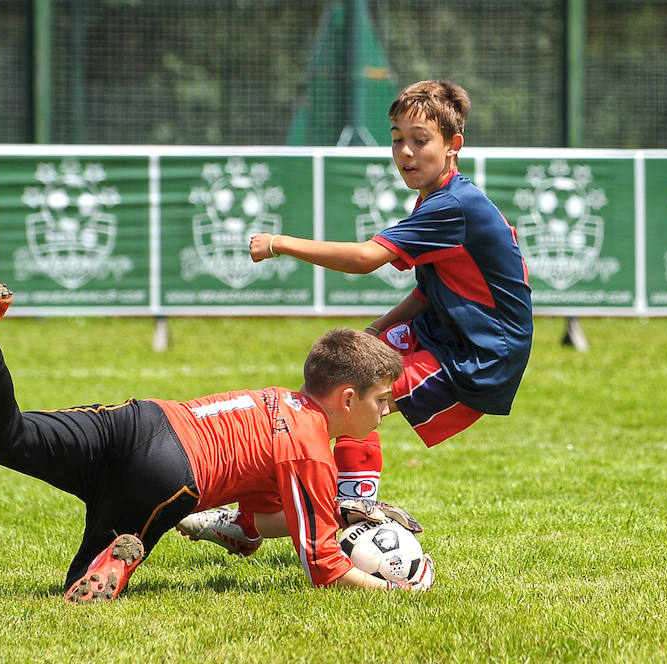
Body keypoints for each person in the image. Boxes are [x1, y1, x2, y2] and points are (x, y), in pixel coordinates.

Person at [181, 80, 532, 556]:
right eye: (396, 139)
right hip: (448, 328)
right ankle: (290, 512)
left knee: (352, 403)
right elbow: (431, 290)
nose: (405, 152)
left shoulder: (454, 206)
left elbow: (367, 257)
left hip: (480, 351)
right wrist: (376, 333)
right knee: (340, 383)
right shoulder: (437, 198)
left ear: (454, 146)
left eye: (420, 140)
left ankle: (334, 510)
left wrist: (281, 243)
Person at [0, 277, 434, 603]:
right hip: (166, 475)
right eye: (383, 399)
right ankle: (116, 560)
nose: (388, 410)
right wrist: (393, 587)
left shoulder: (281, 400)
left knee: (1, 439)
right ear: (346, 399)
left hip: (137, 420)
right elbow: (324, 567)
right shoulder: (310, 448)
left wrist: (342, 512)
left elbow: (253, 523)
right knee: (77, 590)